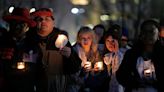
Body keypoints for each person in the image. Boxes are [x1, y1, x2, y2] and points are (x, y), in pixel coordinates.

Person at [30, 8, 81, 92]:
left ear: (53, 22)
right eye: (40, 19)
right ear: (36, 22)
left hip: (57, 87)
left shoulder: (61, 40)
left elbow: (75, 68)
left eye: (47, 19)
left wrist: (70, 56)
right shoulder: (29, 40)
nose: (43, 21)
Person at [0, 7, 44, 92]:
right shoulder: (2, 43)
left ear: (27, 27)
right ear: (9, 25)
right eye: (14, 23)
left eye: (21, 24)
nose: (17, 26)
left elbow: (40, 71)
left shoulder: (34, 46)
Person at [116, 19, 159, 92]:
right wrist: (134, 83)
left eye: (151, 31)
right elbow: (121, 75)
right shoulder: (131, 54)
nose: (148, 35)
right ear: (141, 34)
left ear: (158, 33)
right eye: (145, 32)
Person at [70, 26, 109, 92]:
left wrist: (96, 71)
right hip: (76, 88)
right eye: (83, 38)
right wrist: (83, 72)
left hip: (91, 86)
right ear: (79, 39)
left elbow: (96, 73)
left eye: (88, 38)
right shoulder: (74, 52)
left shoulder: (95, 52)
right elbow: (72, 75)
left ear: (92, 39)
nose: (86, 40)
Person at [103, 27, 124, 92]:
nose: (110, 44)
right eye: (108, 41)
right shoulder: (107, 56)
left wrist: (116, 50)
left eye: (113, 41)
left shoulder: (121, 54)